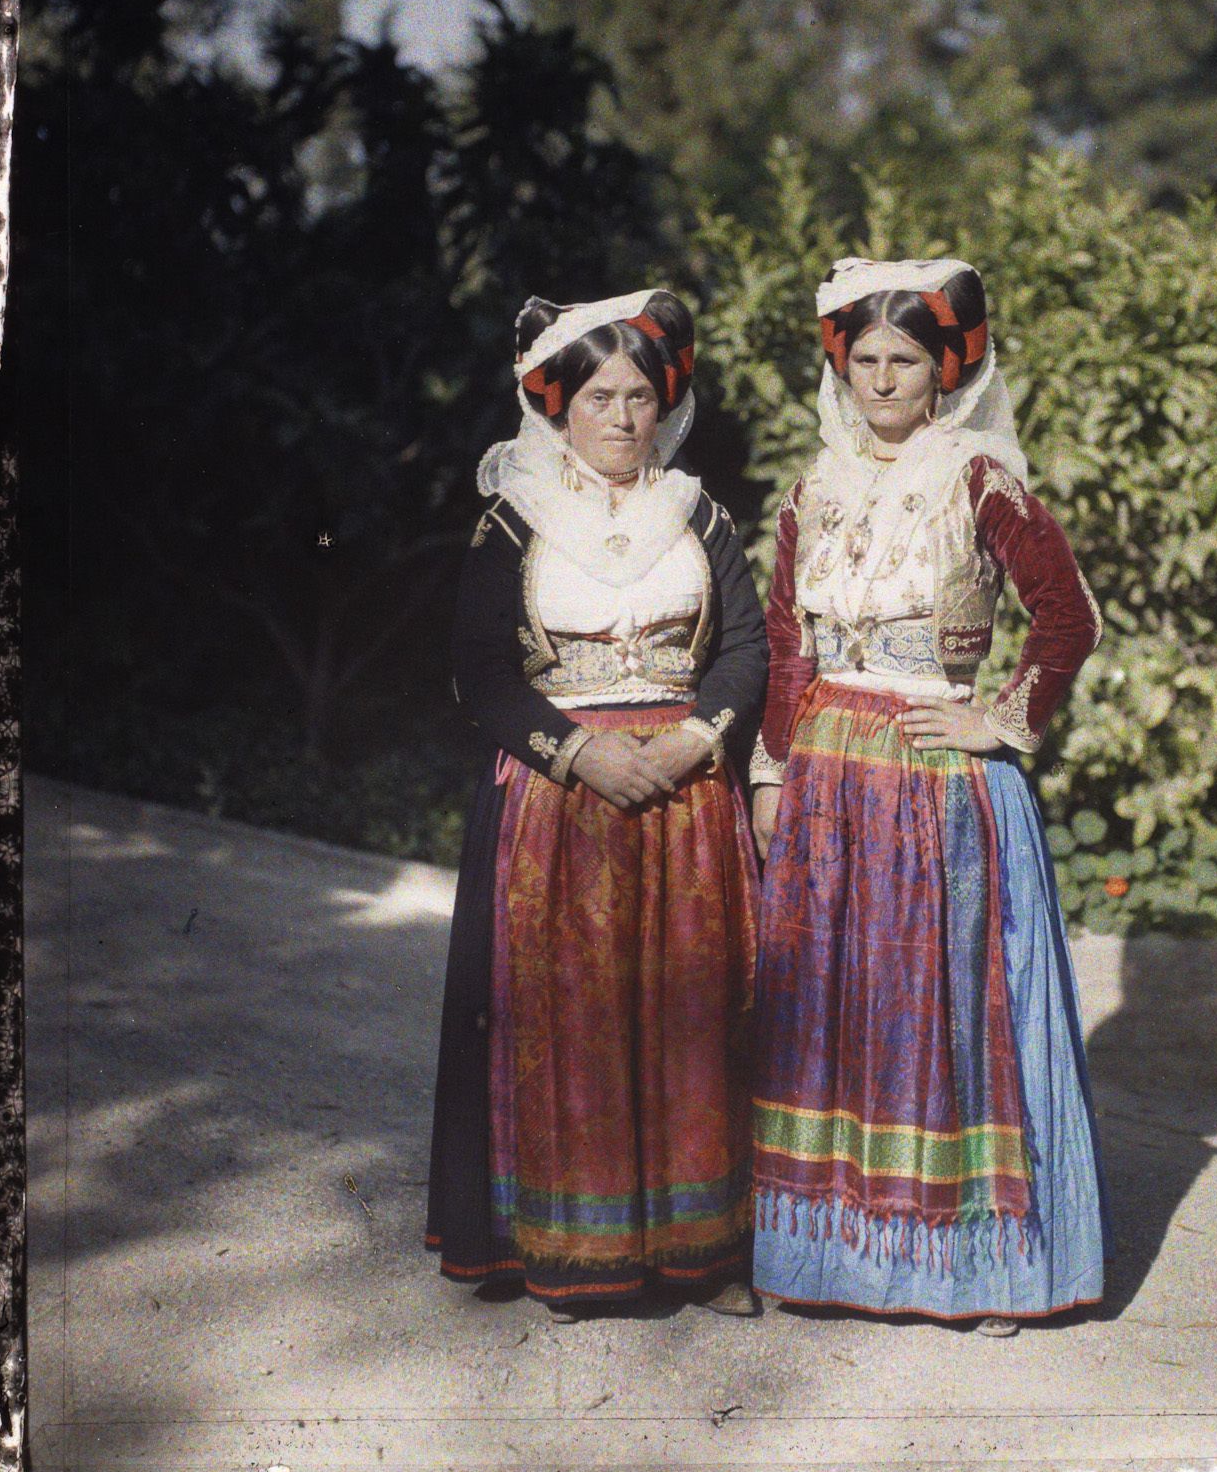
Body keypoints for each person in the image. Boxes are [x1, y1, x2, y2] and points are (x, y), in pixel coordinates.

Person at [749, 256, 1108, 1330]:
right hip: (824, 777)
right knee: (829, 1003)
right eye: (864, 359)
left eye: (905, 359)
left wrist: (992, 719)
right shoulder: (812, 490)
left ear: (946, 367)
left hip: (933, 776)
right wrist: (771, 773)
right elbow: (783, 642)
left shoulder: (980, 480)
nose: (883, 380)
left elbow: (1066, 617)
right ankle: (832, 1257)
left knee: (943, 1003)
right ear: (841, 364)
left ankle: (976, 1266)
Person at [426, 288, 767, 1319]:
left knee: (688, 1008)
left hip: (684, 788)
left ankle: (693, 1251)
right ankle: (569, 1250)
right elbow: (478, 673)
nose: (623, 416)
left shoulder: (698, 512)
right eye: (600, 395)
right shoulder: (513, 518)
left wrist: (688, 740)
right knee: (565, 1008)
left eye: (641, 395)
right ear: (557, 404)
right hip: (557, 796)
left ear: (665, 405)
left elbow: (747, 648)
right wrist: (578, 752)